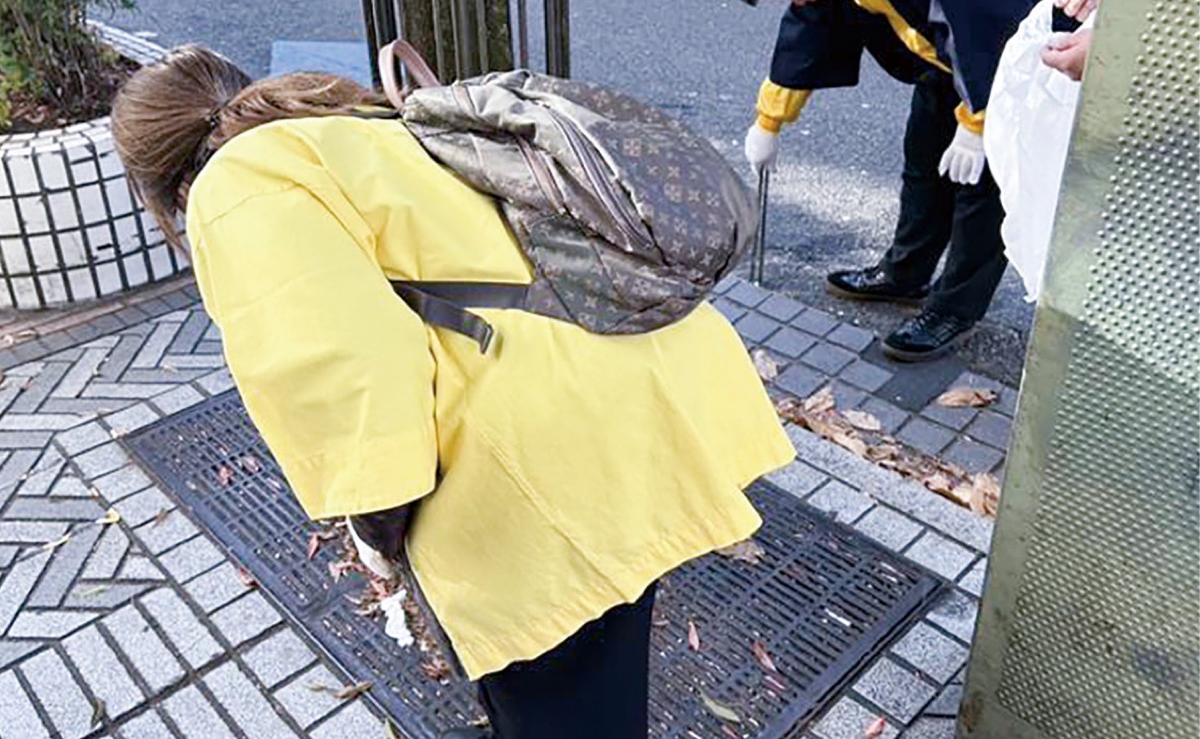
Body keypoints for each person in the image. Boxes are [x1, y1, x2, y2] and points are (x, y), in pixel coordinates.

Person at [110, 47, 796, 739]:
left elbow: (353, 377)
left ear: (154, 176)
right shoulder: (345, 120)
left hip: (553, 453)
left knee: (568, 688)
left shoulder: (236, 188)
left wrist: (377, 525)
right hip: (627, 380)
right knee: (595, 656)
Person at [727, 0, 1099, 361]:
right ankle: (905, 274)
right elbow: (810, 27)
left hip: (1038, 32)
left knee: (984, 182)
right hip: (949, 47)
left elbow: (987, 25)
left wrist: (979, 125)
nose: (796, 3)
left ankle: (955, 309)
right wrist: (769, 121)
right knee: (924, 156)